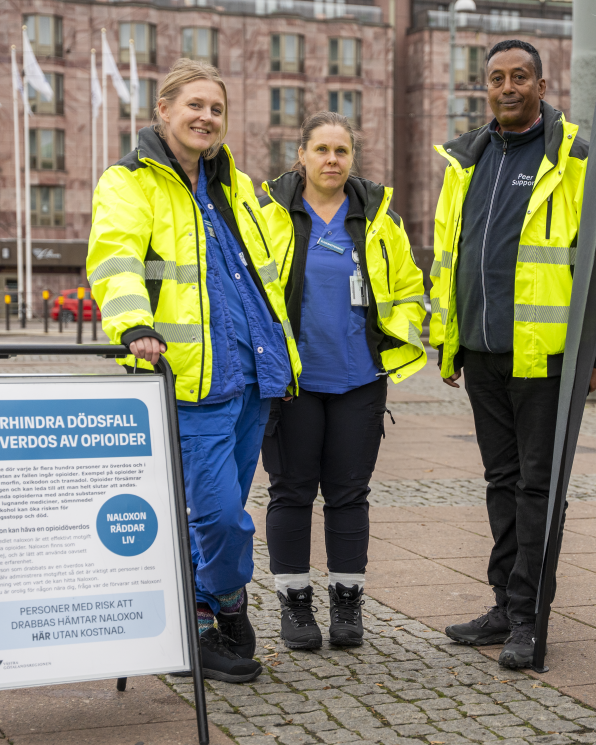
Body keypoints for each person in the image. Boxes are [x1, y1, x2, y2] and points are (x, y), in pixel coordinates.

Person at [87, 59, 302, 683]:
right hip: (188, 376)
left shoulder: (234, 184)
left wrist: (281, 354)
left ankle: (199, 622)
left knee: (221, 507)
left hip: (251, 374)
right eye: (194, 106)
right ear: (163, 111)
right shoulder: (130, 181)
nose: (206, 117)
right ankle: (227, 602)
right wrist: (133, 324)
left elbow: (262, 274)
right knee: (218, 515)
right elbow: (115, 258)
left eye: (216, 109)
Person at [429, 40, 596, 669]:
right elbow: (448, 258)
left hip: (546, 360)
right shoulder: (466, 161)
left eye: (520, 76)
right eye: (497, 78)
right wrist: (447, 339)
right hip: (481, 354)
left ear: (542, 87)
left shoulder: (576, 159)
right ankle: (503, 605)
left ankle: (528, 617)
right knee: (501, 484)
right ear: (486, 88)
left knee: (537, 489)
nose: (507, 87)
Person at [258, 112, 427, 649]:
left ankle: (347, 603)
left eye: (342, 151)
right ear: (301, 155)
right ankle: (295, 606)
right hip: (293, 383)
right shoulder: (267, 215)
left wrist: (391, 339)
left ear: (353, 158)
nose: (332, 160)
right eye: (322, 149)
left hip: (360, 381)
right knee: (290, 492)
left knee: (349, 495)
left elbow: (410, 289)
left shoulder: (379, 219)